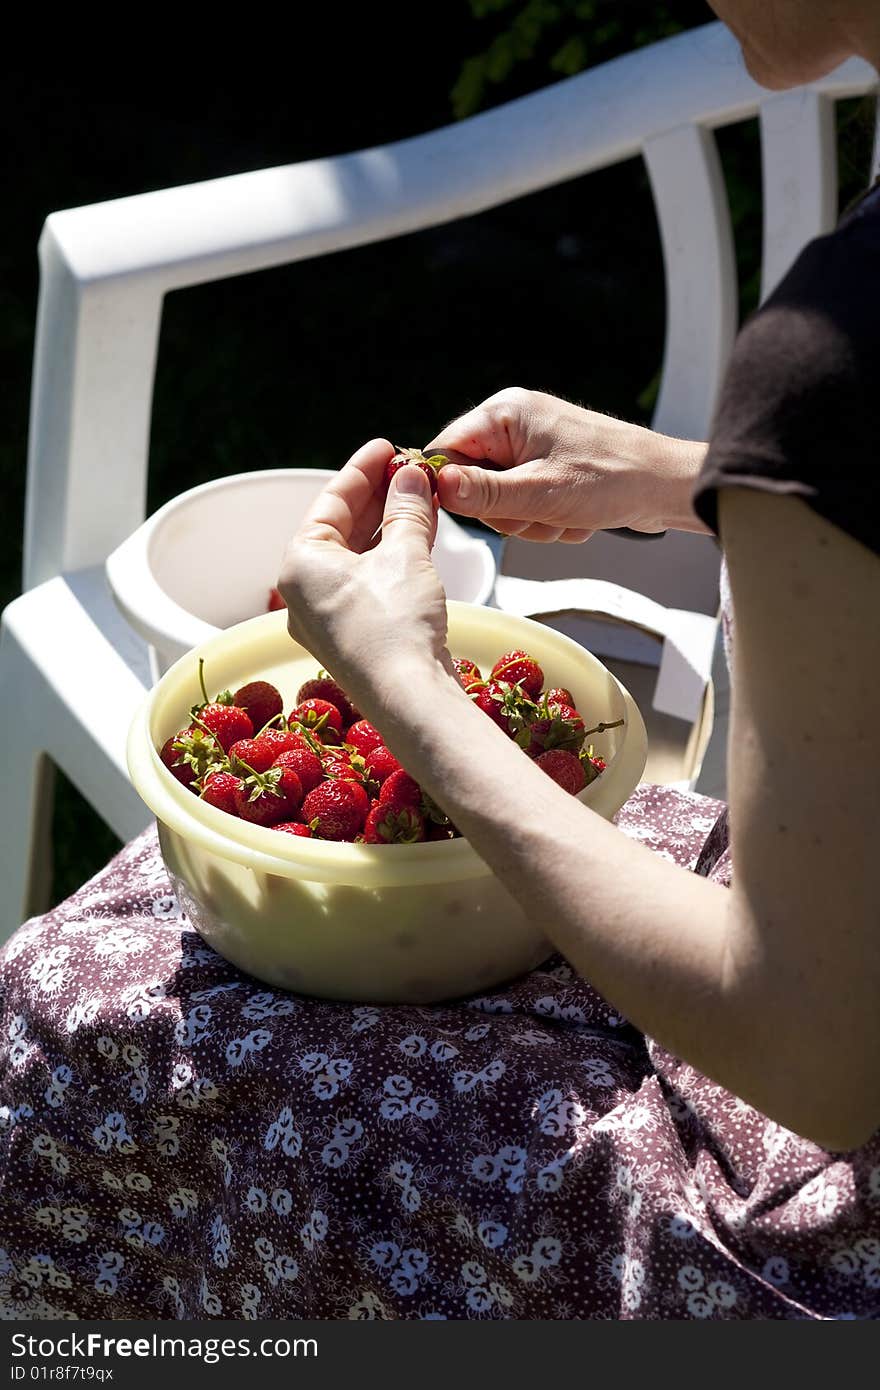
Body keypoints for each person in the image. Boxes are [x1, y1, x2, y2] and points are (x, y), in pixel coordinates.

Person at [0, 1, 877, 1321]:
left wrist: (400, 686)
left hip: (809, 1208)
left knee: (56, 1032)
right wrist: (698, 480)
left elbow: (814, 1048)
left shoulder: (837, 349)